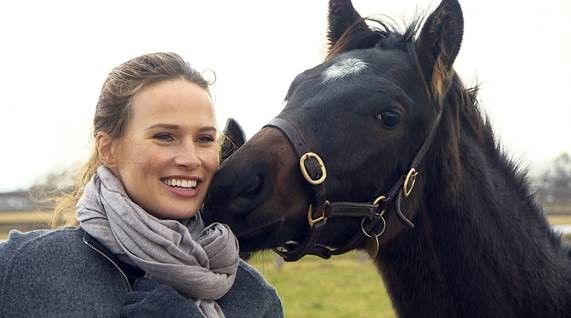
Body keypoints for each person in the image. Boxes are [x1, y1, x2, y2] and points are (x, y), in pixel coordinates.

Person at [0, 52, 283, 318]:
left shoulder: (254, 298)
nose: (190, 158)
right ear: (108, 149)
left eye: (205, 139)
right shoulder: (21, 267)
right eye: (164, 136)